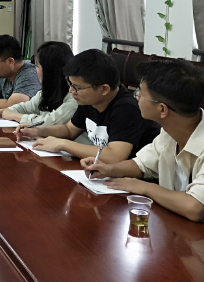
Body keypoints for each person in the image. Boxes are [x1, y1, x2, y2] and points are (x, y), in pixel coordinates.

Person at [82, 60, 204, 222]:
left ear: (162, 109)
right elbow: (143, 165)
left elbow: (195, 207)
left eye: (140, 93)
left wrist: (144, 187)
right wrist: (108, 169)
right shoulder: (170, 131)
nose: (137, 97)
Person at [21, 49, 160, 163]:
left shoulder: (127, 109)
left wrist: (63, 144)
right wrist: (38, 131)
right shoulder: (90, 100)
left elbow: (115, 156)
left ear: (104, 89)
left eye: (77, 87)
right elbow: (69, 130)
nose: (71, 91)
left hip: (134, 180)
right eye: (71, 84)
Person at [0, 41, 81, 132]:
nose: (36, 70)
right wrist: (0, 112)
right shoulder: (47, 91)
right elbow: (26, 108)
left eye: (38, 66)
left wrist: (15, 116)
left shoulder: (75, 95)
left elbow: (51, 122)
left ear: (49, 71)